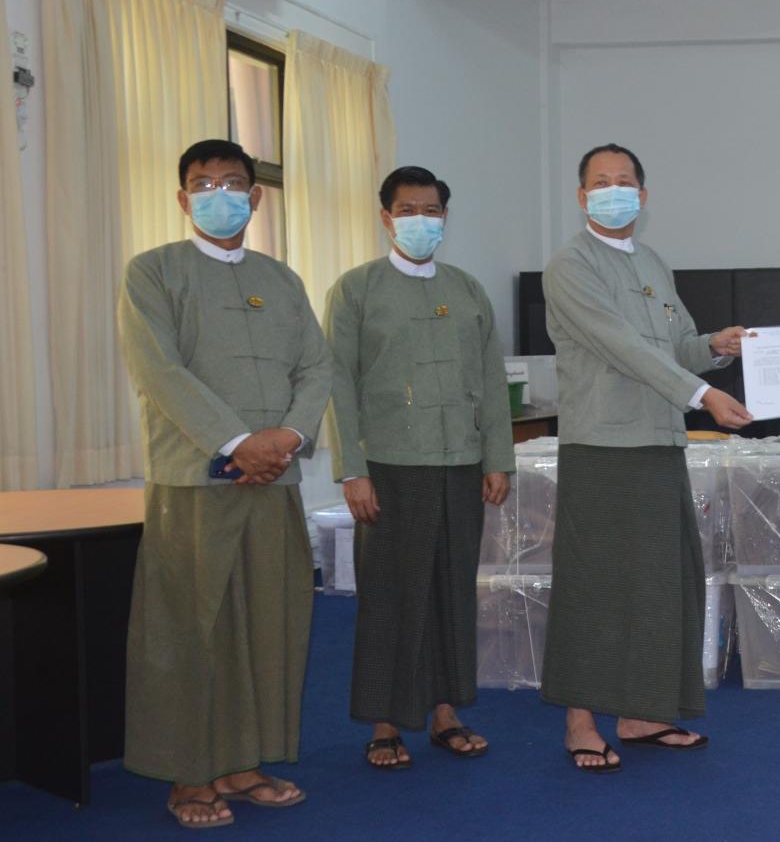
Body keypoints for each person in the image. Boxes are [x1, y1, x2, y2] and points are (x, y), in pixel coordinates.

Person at [117, 139, 332, 829]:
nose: (219, 195)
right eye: (203, 184)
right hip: (195, 480)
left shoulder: (281, 279)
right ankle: (189, 775)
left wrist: (288, 438)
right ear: (183, 200)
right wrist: (240, 443)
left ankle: (243, 764)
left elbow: (315, 367)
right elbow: (159, 370)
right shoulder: (153, 272)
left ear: (255, 196)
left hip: (274, 481)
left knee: (271, 623)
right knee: (191, 628)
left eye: (233, 182)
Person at [540, 143, 753, 773]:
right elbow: (622, 347)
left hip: (659, 441)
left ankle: (641, 713)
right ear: (582, 196)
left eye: (625, 181)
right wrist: (704, 395)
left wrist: (716, 346)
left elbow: (675, 345)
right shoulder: (570, 265)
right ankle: (580, 722)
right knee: (595, 585)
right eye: (601, 182)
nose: (614, 191)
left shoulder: (653, 262)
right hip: (603, 446)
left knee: (661, 583)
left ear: (643, 193)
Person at [324, 166, 516, 770]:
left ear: (445, 217)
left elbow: (491, 378)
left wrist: (497, 458)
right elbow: (338, 382)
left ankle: (444, 713)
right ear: (386, 218)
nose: (420, 221)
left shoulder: (467, 289)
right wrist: (352, 470)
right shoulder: (356, 289)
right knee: (390, 593)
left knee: (452, 592)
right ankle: (385, 722)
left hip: (461, 463)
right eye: (407, 210)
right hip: (389, 466)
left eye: (431, 210)